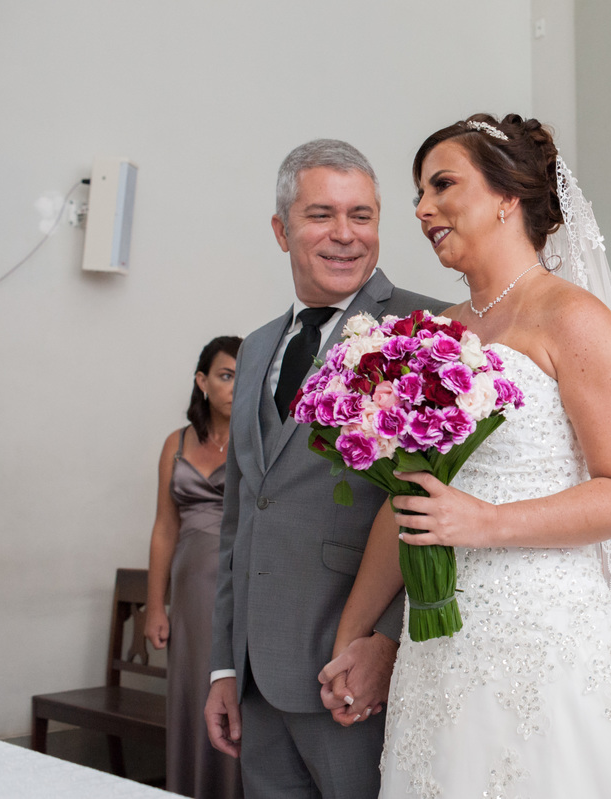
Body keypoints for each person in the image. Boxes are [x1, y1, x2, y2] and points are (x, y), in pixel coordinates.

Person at [323, 114, 611, 799]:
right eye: (419, 193)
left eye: (442, 185)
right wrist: (354, 634)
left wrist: (484, 522)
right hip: (437, 648)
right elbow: (408, 500)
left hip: (547, 638)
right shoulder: (433, 335)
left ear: (507, 196)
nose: (421, 209)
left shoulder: (575, 320)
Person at [205, 139, 445, 799]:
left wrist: (391, 642)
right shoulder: (255, 347)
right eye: (321, 215)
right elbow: (241, 519)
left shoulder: (427, 330)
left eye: (361, 215)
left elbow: (443, 509)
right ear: (282, 230)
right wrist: (226, 666)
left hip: (355, 666)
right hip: (258, 673)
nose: (345, 235)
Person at [144, 336, 244, 799]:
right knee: (189, 696)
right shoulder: (176, 443)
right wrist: (154, 607)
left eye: (243, 375)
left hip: (236, 584)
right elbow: (165, 528)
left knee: (232, 695)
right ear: (202, 382)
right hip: (186, 592)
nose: (234, 385)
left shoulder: (256, 440)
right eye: (225, 375)